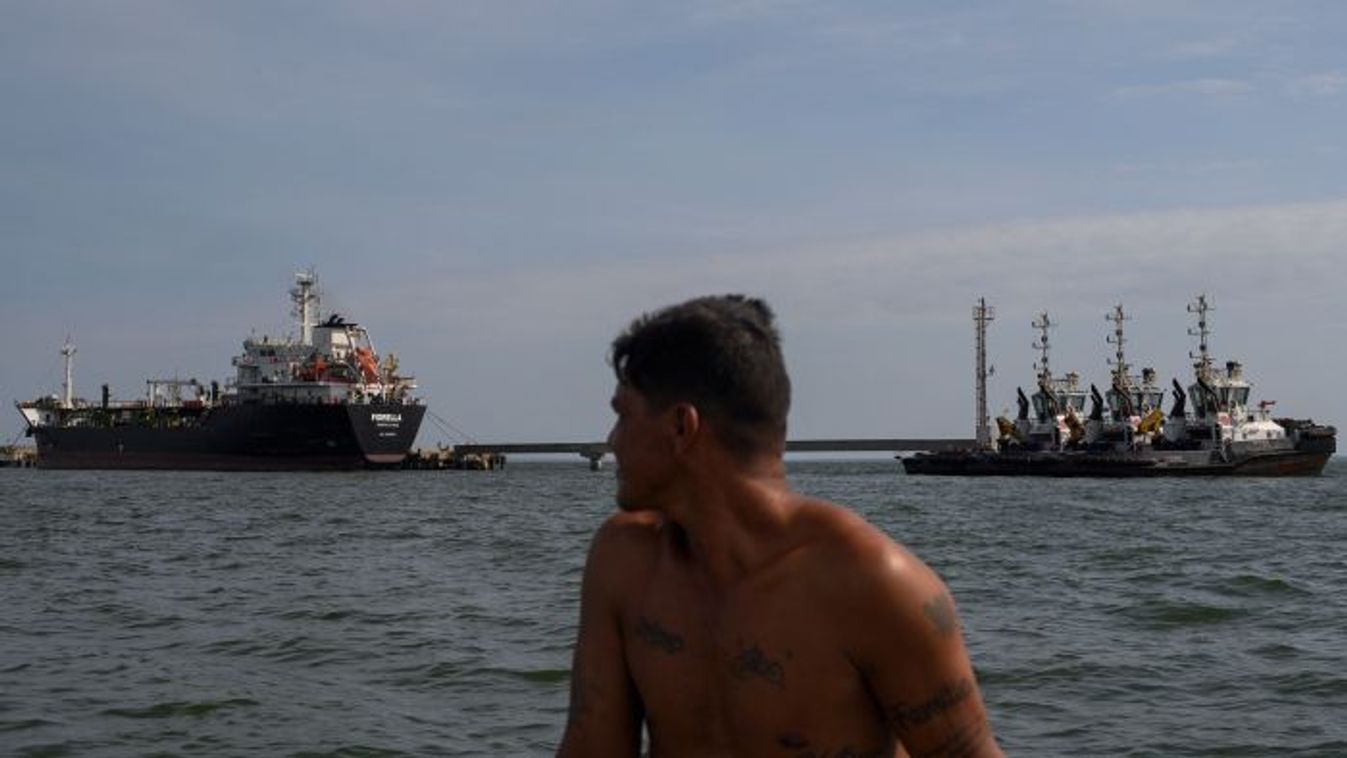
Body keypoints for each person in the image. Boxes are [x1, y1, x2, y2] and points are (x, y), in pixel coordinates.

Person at [557, 295, 1002, 758]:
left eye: (623, 415)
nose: (612, 441)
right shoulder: (625, 563)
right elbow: (592, 747)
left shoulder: (874, 584)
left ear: (681, 427)